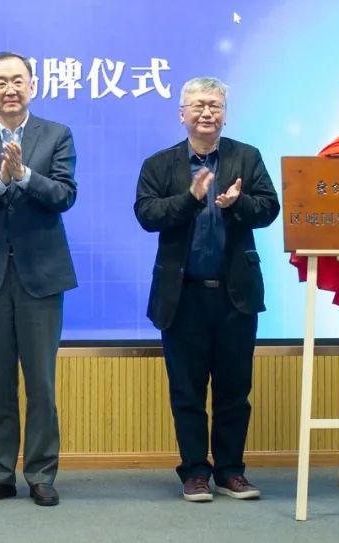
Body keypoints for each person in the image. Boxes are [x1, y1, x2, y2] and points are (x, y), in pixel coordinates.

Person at [134, 76, 279, 502]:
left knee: (235, 390)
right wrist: (191, 198)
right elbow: (147, 214)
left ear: (225, 115)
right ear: (182, 114)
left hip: (236, 294)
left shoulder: (246, 157)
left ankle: (231, 471)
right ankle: (195, 471)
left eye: (214, 105)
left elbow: (269, 208)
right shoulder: (160, 164)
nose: (206, 112)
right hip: (182, 296)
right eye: (198, 105)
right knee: (187, 391)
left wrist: (238, 203)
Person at [0, 51, 77, 507]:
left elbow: (64, 195)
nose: (10, 88)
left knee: (41, 384)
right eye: (1, 82)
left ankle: (41, 474)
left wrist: (23, 175)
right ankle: (0, 474)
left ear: (32, 86)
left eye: (18, 80)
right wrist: (1, 182)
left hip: (42, 276)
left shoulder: (57, 135)